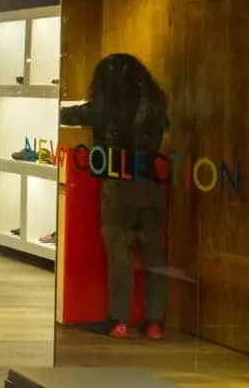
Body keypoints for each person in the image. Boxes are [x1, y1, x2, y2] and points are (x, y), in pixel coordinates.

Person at [61, 52, 170, 340]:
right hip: (151, 183)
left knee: (119, 252)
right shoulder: (156, 104)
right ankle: (155, 322)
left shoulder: (108, 106)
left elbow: (74, 116)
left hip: (119, 182)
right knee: (153, 253)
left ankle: (118, 320)